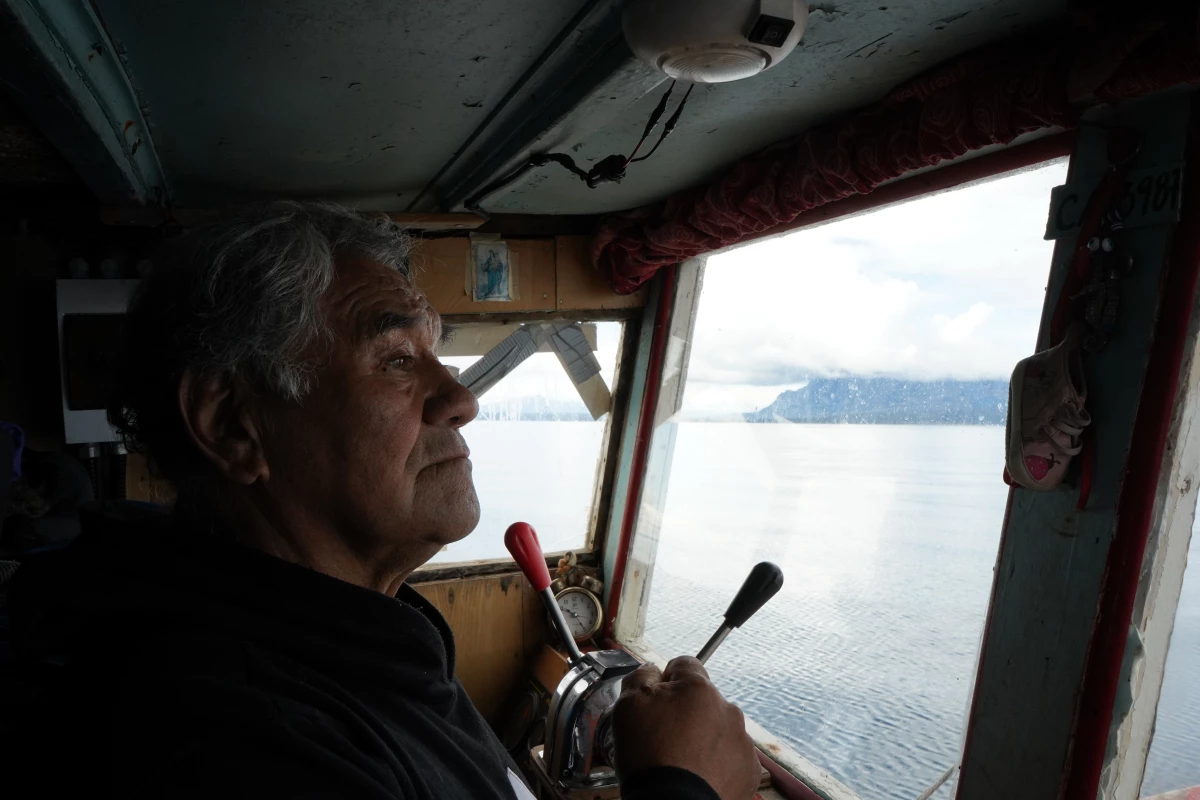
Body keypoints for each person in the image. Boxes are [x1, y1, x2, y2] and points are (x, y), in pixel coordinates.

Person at [4, 203, 760, 800]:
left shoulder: (348, 644)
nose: (462, 398)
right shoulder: (222, 743)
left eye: (438, 352)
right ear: (234, 426)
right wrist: (680, 788)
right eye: (397, 359)